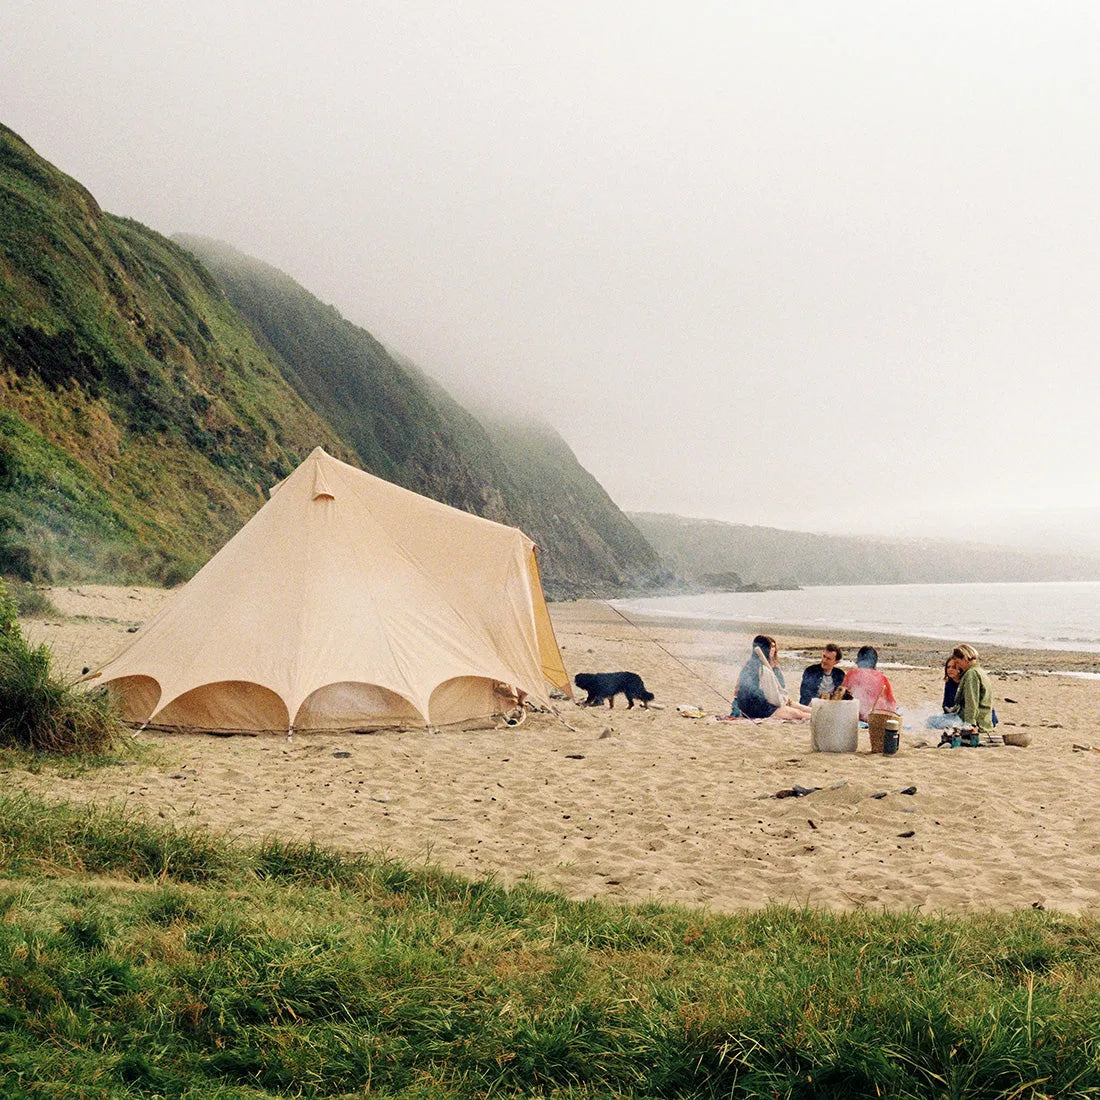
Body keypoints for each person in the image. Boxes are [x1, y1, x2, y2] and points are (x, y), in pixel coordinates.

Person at [734, 635, 812, 720]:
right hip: (759, 710)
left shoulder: (749, 665)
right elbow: (774, 698)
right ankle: (817, 717)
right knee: (797, 713)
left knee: (798, 708)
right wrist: (783, 702)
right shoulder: (763, 669)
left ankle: (815, 712)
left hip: (747, 708)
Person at [840, 645, 898, 722]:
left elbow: (841, 696)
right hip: (876, 717)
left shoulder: (852, 674)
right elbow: (891, 703)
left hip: (855, 716)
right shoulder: (882, 678)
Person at [950, 643, 995, 734]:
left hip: (977, 722)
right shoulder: (980, 671)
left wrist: (970, 725)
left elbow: (971, 701)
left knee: (933, 721)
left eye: (958, 662)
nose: (958, 666)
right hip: (984, 719)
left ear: (965, 659)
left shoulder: (971, 674)